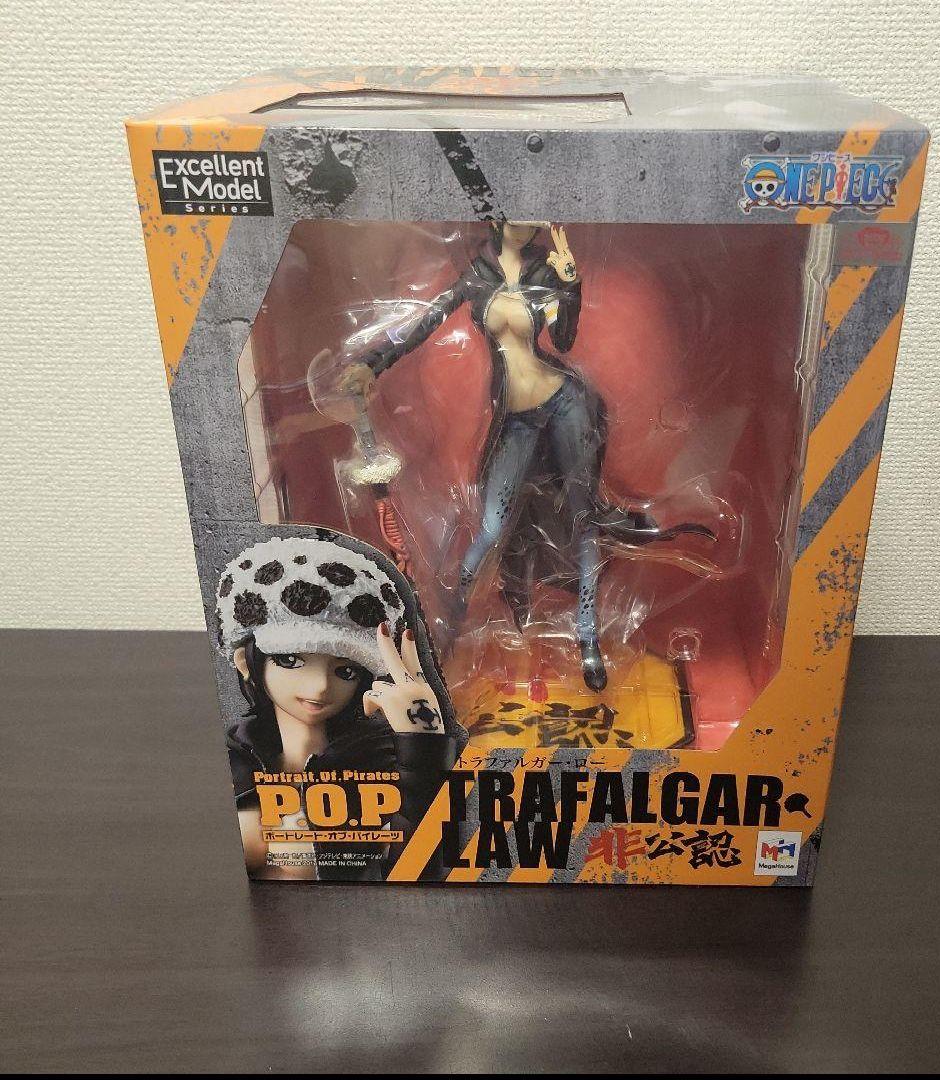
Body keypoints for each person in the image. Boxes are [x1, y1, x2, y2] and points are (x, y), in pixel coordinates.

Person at [344, 222, 712, 691]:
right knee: (491, 526)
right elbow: (424, 322)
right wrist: (371, 364)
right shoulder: (478, 275)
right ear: (497, 217)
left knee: (582, 520)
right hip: (516, 419)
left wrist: (571, 284)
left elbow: (563, 341)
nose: (532, 220)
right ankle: (448, 626)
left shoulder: (545, 271)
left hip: (567, 405)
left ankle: (588, 637)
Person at [215, 536, 462, 880]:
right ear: (245, 661)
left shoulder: (378, 761)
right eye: (290, 660)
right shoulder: (236, 755)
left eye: (346, 671)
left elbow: (423, 869)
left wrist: (424, 746)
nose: (320, 686)